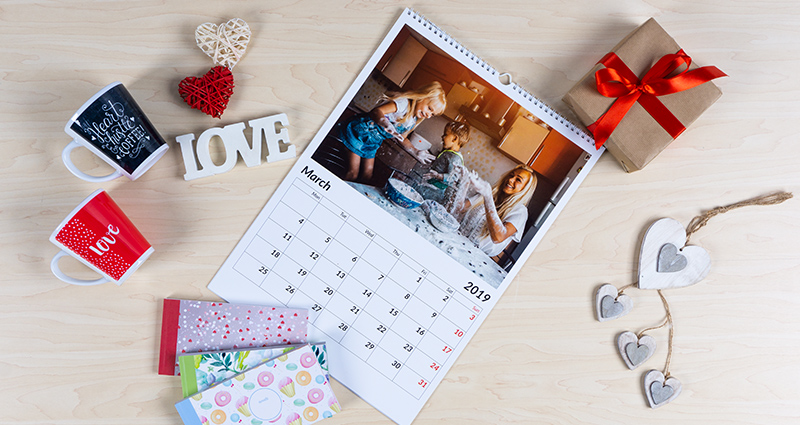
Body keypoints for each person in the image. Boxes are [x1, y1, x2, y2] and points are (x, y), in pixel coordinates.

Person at [339, 81, 446, 182]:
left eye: (432, 114)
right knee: (352, 174)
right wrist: (386, 124)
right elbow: (377, 111)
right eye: (429, 108)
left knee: (367, 176)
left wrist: (415, 151)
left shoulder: (412, 120)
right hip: (360, 132)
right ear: (423, 97)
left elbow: (403, 138)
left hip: (372, 142)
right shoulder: (403, 104)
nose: (429, 115)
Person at [460, 164, 537, 258]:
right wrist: (464, 182)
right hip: (458, 240)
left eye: (518, 180)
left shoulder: (520, 212)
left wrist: (487, 197)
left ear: (525, 188)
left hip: (474, 256)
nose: (510, 180)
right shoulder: (491, 193)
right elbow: (460, 208)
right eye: (511, 175)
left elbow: (498, 237)